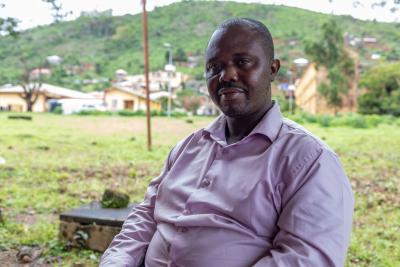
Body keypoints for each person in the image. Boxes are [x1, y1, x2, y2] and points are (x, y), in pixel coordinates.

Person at [100, 18, 354, 267]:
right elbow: (146, 215)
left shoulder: (309, 160)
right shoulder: (187, 148)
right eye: (214, 67)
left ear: (272, 69)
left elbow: (307, 258)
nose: (226, 75)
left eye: (242, 62)